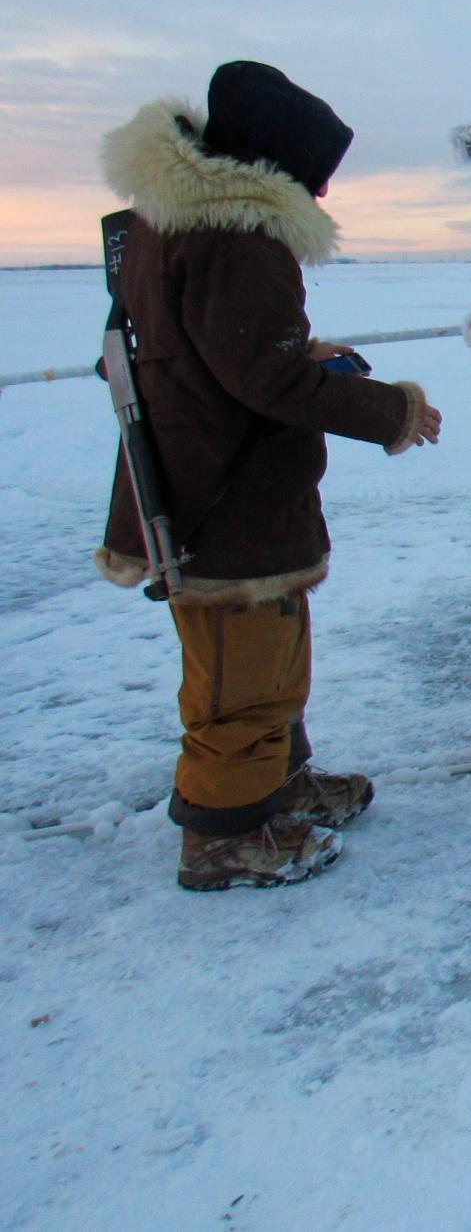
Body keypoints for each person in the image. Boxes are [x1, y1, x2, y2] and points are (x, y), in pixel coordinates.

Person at [95, 61, 445, 889]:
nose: (319, 200)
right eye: (315, 181)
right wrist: (391, 410)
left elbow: (218, 349)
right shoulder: (234, 234)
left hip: (222, 481)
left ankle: (276, 784)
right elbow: (266, 378)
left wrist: (302, 354)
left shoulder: (178, 221)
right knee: (237, 671)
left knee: (271, 649)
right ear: (275, 167)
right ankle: (223, 836)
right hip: (222, 496)